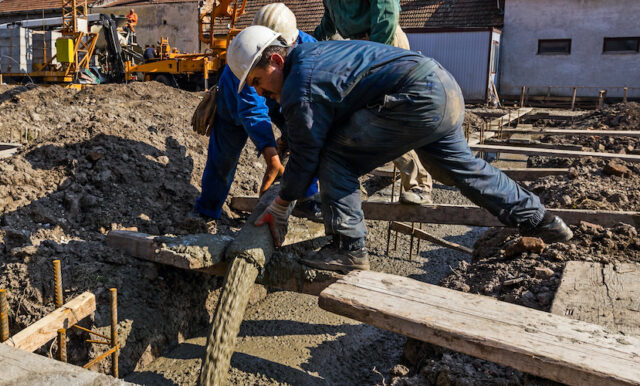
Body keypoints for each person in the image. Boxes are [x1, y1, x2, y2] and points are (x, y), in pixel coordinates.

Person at [227, 26, 573, 272]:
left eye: (257, 81)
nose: (258, 92)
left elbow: (308, 154)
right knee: (459, 169)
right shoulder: (315, 55)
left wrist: (282, 204)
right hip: (442, 86)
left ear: (275, 59)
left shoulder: (300, 83)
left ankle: (348, 247)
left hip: (416, 96)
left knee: (334, 155)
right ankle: (541, 220)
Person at [192, 3, 321, 221]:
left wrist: (292, 135)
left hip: (283, 99)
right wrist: (271, 157)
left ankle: (309, 200)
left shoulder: (308, 47)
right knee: (222, 161)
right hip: (234, 107)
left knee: (309, 137)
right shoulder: (245, 55)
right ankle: (206, 212)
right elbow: (253, 109)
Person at [314, 0, 433, 205]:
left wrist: (375, 57)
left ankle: (419, 185)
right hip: (361, 47)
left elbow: (386, 13)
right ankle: (349, 187)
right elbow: (328, 24)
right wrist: (306, 46)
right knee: (354, 120)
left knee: (387, 119)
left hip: (384, 41)